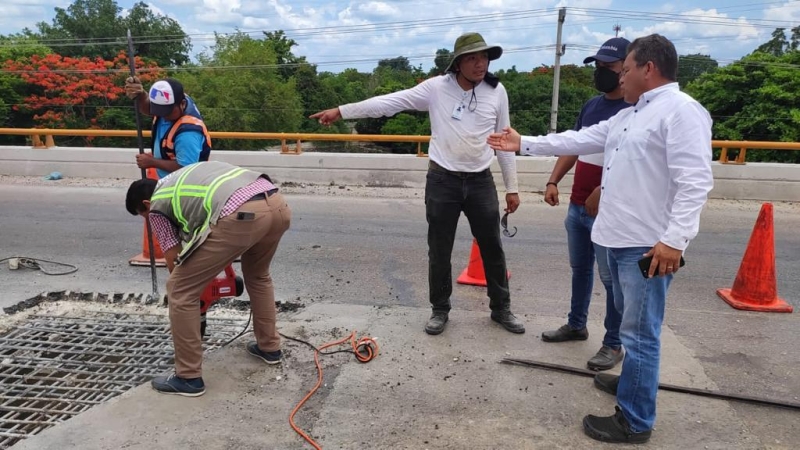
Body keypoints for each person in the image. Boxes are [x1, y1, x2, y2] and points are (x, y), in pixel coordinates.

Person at [487, 34, 713, 443]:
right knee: (630, 327)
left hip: (646, 246)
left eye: (625, 70)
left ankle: (635, 420)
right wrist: (525, 143)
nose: (619, 79)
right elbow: (578, 140)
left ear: (649, 69)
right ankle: (631, 383)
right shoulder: (629, 115)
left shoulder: (681, 112)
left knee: (640, 334)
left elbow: (695, 182)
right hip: (613, 238)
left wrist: (676, 241)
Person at [310, 32, 524, 336]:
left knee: (492, 247)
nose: (481, 64)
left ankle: (501, 309)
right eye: (474, 58)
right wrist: (343, 111)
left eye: (485, 57)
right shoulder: (436, 88)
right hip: (443, 180)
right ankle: (440, 309)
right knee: (439, 250)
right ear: (458, 63)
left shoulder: (496, 90)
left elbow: (504, 140)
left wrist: (511, 187)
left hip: (480, 181)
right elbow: (388, 103)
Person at [125, 161, 292, 397]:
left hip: (241, 214)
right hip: (277, 204)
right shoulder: (178, 182)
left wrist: (191, 299)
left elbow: (175, 264)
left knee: (180, 290)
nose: (148, 220)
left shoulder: (157, 207)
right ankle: (269, 348)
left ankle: (188, 377)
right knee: (258, 275)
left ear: (145, 205)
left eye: (143, 216)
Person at [540, 38, 631, 372]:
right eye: (598, 66)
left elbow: (633, 162)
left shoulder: (634, 111)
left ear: (627, 67)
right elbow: (574, 146)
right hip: (578, 207)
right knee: (580, 271)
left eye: (608, 67)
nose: (601, 72)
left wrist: (603, 191)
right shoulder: (592, 106)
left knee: (612, 281)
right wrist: (554, 180)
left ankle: (613, 343)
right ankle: (576, 324)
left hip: (607, 212)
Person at [124, 77, 211, 178]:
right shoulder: (174, 99)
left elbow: (186, 168)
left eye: (167, 112)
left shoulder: (188, 133)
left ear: (182, 104)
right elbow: (148, 108)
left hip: (181, 187)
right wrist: (141, 95)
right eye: (159, 110)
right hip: (165, 181)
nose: (163, 116)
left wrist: (153, 162)